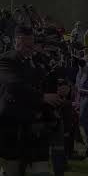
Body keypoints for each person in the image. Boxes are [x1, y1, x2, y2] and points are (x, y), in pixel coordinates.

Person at [0, 26, 62, 176]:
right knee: (13, 168)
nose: (30, 49)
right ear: (17, 41)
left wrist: (61, 87)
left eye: (31, 45)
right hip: (13, 123)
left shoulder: (37, 60)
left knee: (40, 169)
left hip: (35, 123)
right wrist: (42, 97)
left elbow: (49, 78)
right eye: (26, 45)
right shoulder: (6, 59)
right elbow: (14, 85)